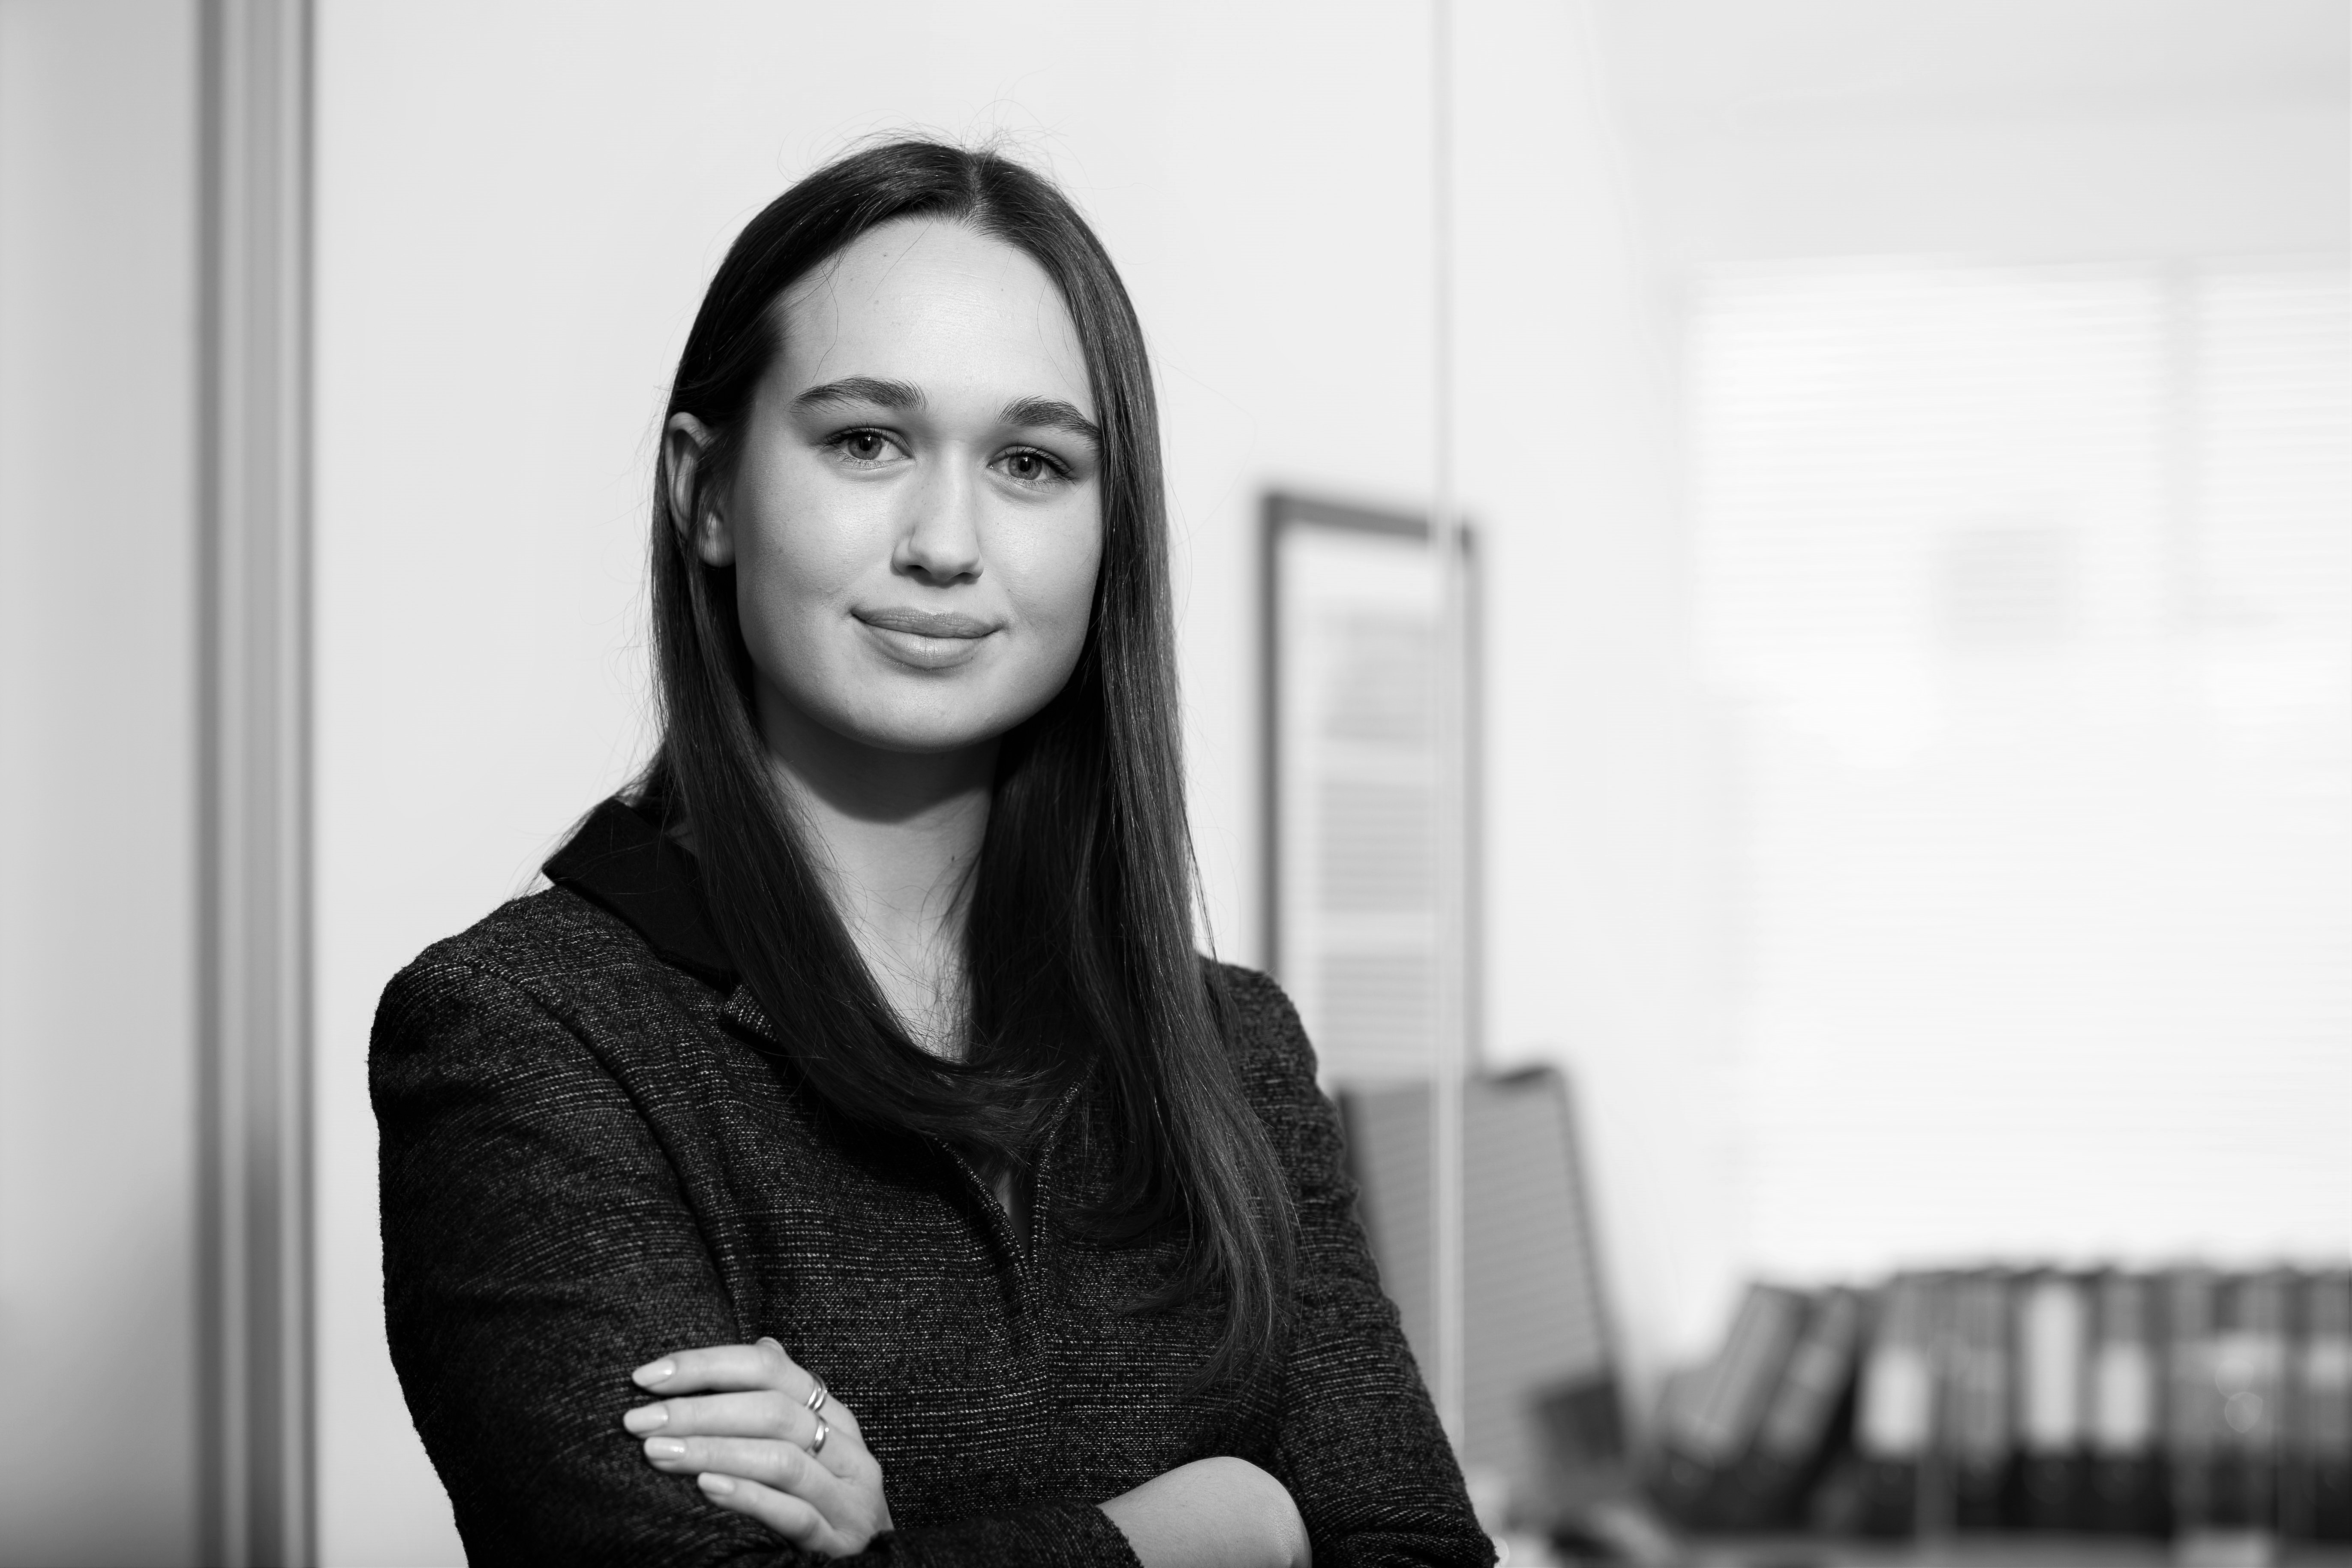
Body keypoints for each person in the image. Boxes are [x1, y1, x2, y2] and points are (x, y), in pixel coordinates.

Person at [372, 139, 1490, 1568]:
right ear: (706, 492)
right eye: (866, 441)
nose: (947, 542)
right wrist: (1229, 1521)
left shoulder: (1235, 1051)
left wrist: (900, 1545)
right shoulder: (526, 1036)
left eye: (1031, 463)